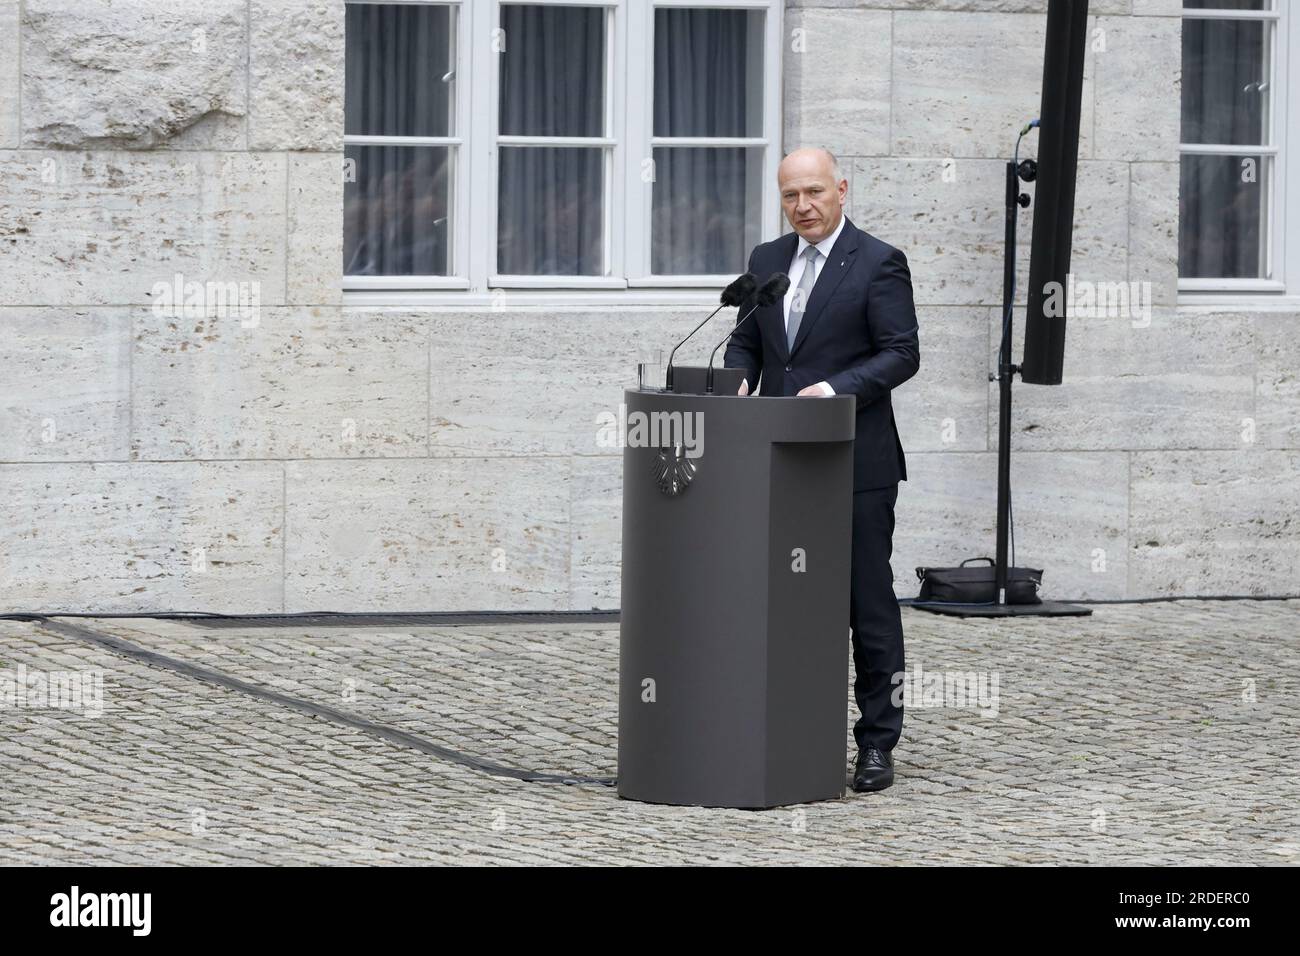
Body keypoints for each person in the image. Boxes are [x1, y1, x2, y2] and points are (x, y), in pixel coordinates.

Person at [725, 147, 920, 792]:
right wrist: (739, 383)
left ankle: (876, 743)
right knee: (778, 599)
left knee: (866, 602)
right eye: (790, 196)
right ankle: (781, 729)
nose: (802, 207)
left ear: (842, 189)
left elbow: (900, 353)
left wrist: (836, 390)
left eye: (813, 192)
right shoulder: (766, 261)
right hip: (777, 458)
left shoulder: (879, 262)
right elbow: (747, 340)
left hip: (854, 463)